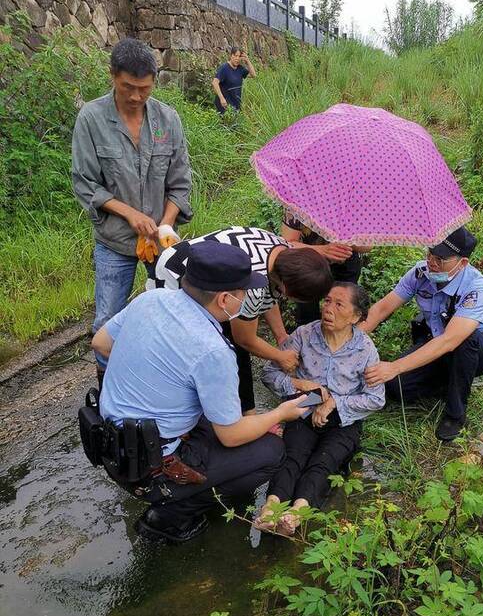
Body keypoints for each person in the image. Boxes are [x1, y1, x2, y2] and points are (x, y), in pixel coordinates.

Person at [90, 241, 308, 543]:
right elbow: (230, 435)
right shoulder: (212, 350)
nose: (248, 298)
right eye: (244, 292)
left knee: (214, 417)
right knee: (271, 451)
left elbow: (100, 342)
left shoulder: (151, 299)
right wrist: (282, 412)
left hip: (109, 442)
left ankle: (180, 486)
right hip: (149, 467)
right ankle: (169, 514)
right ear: (224, 299)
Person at [72, 37, 192, 390]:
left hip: (162, 241)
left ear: (154, 81)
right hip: (115, 241)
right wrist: (129, 214)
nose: (136, 96)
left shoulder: (167, 119)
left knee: (171, 311)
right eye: (128, 87)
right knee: (108, 318)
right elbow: (84, 183)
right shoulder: (92, 119)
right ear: (113, 77)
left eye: (144, 88)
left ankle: (162, 382)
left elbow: (180, 184)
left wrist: (166, 222)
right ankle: (110, 386)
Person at [152, 226, 334, 413]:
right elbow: (244, 340)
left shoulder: (285, 253)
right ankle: (230, 413)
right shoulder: (254, 283)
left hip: (197, 260)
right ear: (289, 289)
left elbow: (270, 296)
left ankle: (241, 411)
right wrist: (279, 356)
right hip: (177, 273)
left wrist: (281, 336)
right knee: (201, 345)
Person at [256, 282, 385, 536]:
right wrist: (299, 384)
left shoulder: (365, 349)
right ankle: (271, 507)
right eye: (327, 301)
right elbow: (269, 373)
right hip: (305, 407)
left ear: (356, 316)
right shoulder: (304, 335)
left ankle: (297, 512)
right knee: (292, 454)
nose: (328, 309)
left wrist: (335, 402)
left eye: (339, 304)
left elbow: (375, 398)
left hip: (345, 418)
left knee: (324, 462)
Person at [361, 228, 483, 442]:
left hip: (475, 350)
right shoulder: (420, 274)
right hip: (436, 342)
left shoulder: (476, 288)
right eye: (429, 254)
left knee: (466, 340)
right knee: (395, 388)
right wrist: (347, 342)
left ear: (462, 263)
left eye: (440, 259)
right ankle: (446, 381)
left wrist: (394, 367)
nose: (432, 262)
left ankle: (455, 414)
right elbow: (382, 309)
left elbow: (450, 340)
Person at [280, 210, 371, 326]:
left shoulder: (354, 204)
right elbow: (286, 244)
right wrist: (323, 250)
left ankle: (337, 341)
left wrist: (345, 235)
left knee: (341, 308)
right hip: (308, 263)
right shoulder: (298, 202)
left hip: (345, 263)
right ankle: (308, 339)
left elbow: (367, 246)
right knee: (307, 310)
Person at [212, 46, 256, 114]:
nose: (237, 59)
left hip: (236, 105)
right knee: (225, 124)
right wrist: (222, 98)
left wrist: (247, 61)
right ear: (231, 55)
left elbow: (253, 75)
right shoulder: (224, 68)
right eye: (235, 56)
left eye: (239, 57)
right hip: (224, 105)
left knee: (235, 124)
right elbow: (215, 82)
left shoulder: (240, 69)